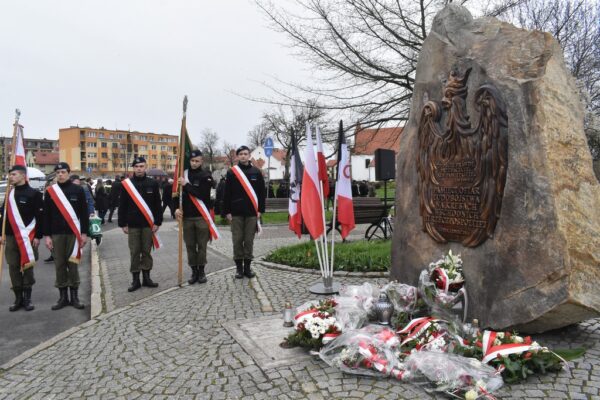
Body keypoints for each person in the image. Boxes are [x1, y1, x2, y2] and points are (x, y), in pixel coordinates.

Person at [43, 162, 89, 310]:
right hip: (56, 234)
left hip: (73, 234)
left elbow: (84, 213)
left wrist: (84, 233)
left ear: (68, 173)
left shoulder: (78, 190)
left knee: (73, 264)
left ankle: (74, 297)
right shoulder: (51, 192)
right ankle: (63, 297)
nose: (60, 175)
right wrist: (47, 236)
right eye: (58, 173)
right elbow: (46, 215)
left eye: (63, 172)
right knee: (60, 265)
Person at [0, 165, 43, 312]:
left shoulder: (34, 194)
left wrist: (38, 236)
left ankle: (27, 298)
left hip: (28, 237)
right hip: (11, 237)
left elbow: (40, 217)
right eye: (10, 175)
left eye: (14, 174)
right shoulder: (9, 194)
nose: (10, 177)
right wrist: (1, 233)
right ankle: (18, 298)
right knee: (13, 266)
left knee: (27, 266)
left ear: (23, 176)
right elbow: (3, 216)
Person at [118, 157, 162, 292]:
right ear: (133, 168)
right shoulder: (127, 184)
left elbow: (157, 204)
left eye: (141, 166)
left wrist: (158, 222)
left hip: (148, 225)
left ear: (145, 167)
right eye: (136, 166)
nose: (139, 169)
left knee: (146, 252)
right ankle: (136, 280)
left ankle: (147, 278)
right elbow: (122, 205)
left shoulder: (153, 183)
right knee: (135, 252)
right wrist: (122, 224)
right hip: (133, 225)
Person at [173, 150, 216, 284]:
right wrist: (175, 209)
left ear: (201, 161)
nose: (194, 163)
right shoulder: (182, 175)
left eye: (197, 161)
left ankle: (201, 271)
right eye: (192, 161)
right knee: (190, 246)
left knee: (202, 246)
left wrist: (186, 185)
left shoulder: (206, 176)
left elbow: (202, 195)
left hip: (201, 217)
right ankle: (194, 271)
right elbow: (175, 194)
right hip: (186, 217)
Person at [222, 145, 266, 279]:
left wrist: (260, 210)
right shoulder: (232, 172)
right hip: (236, 213)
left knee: (249, 241)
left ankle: (247, 268)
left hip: (252, 213)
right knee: (237, 241)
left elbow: (261, 193)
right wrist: (227, 211)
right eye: (240, 154)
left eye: (245, 154)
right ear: (237, 156)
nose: (243, 156)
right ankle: (239, 269)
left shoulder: (256, 172)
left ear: (249, 155)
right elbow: (227, 193)